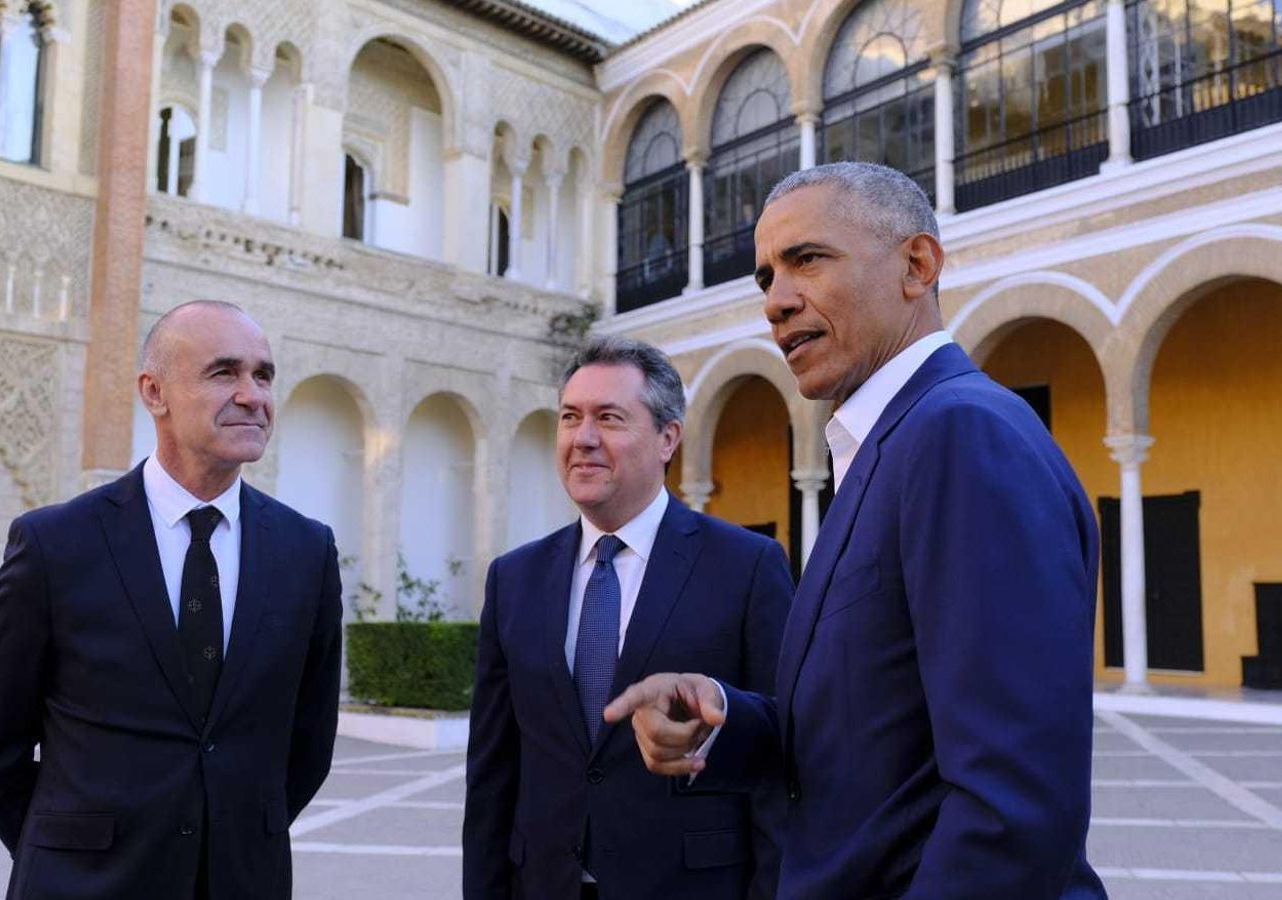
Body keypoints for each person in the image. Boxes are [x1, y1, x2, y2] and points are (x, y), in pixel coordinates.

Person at [605, 163, 1106, 899]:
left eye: (807, 259)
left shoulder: (961, 435)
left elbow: (1012, 807)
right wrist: (720, 716)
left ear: (917, 266)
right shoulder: (889, 444)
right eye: (766, 277)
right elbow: (876, 743)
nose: (775, 301)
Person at [0, 300, 343, 899]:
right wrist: (65, 851)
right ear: (154, 392)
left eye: (263, 375)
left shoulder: (306, 551)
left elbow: (309, 742)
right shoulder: (56, 545)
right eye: (224, 373)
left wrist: (227, 841)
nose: (252, 396)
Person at [463, 336, 793, 900]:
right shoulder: (513, 578)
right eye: (570, 417)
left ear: (668, 438)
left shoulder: (748, 566)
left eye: (609, 418)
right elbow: (492, 772)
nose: (583, 438)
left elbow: (781, 748)